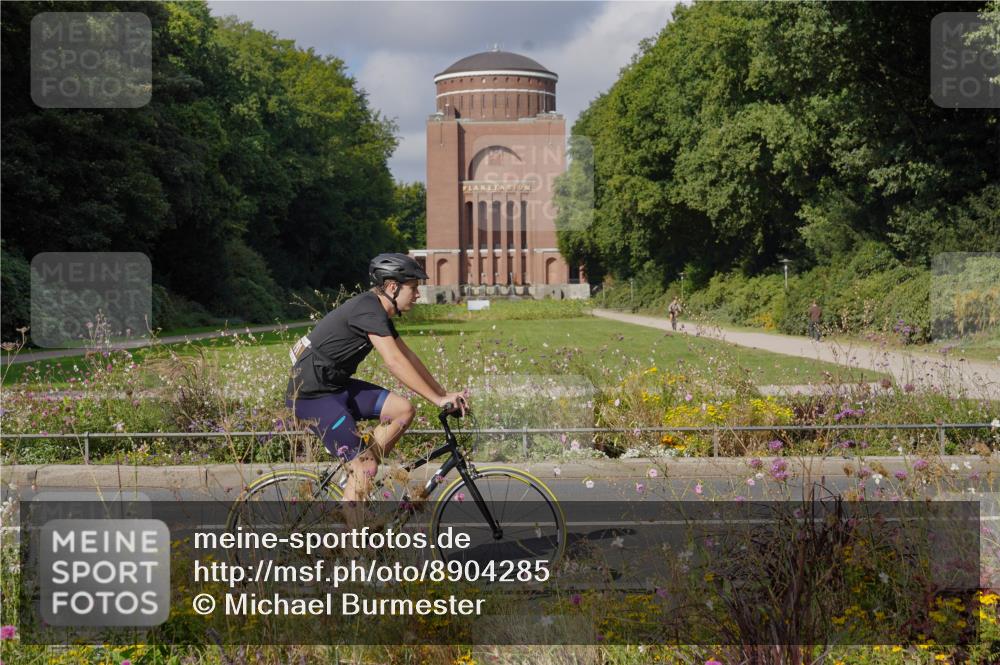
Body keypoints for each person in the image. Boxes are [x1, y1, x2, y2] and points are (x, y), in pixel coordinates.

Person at [285, 253, 468, 510]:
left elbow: (408, 356)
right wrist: (437, 400)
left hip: (335, 388)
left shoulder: (378, 311)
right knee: (366, 466)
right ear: (392, 287)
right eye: (413, 288)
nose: (418, 295)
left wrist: (443, 392)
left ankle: (358, 481)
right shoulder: (368, 309)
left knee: (403, 410)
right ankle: (351, 545)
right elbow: (393, 361)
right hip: (312, 396)